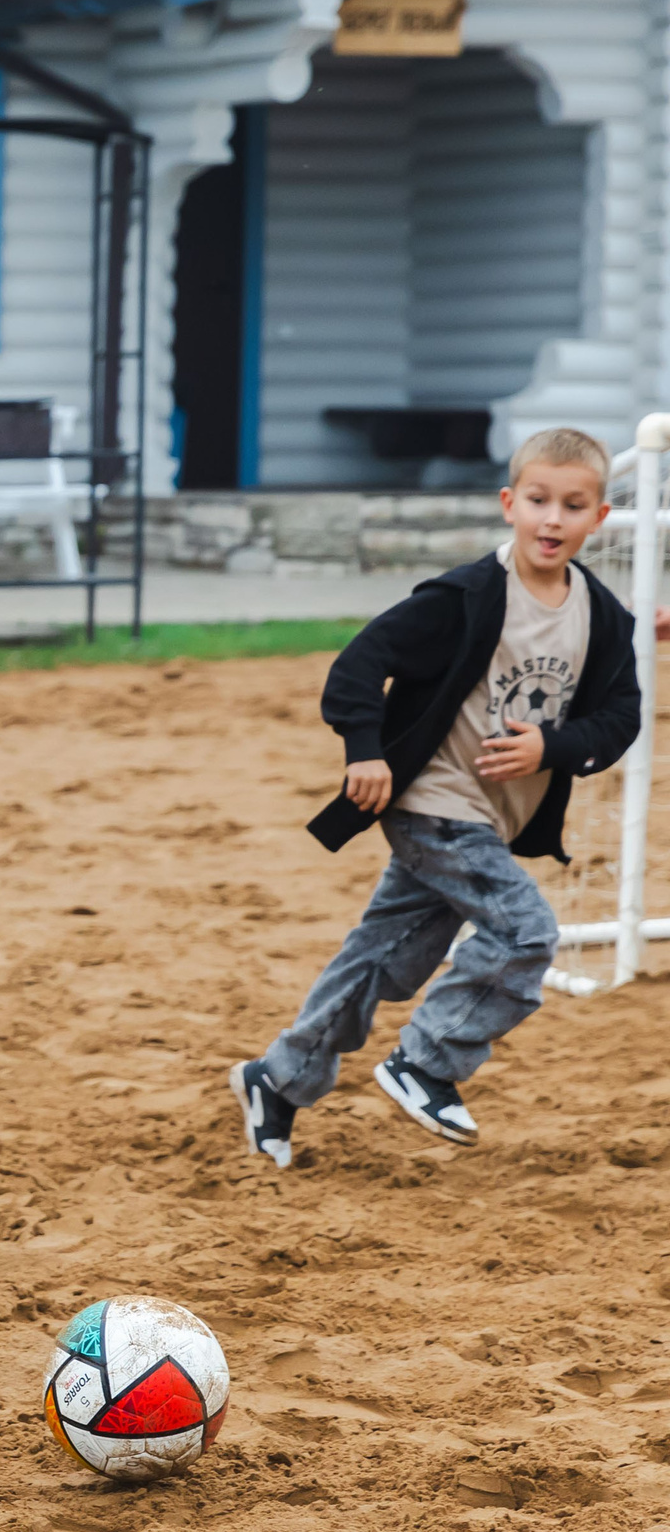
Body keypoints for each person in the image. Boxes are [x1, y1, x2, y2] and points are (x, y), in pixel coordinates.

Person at [231, 427, 643, 1166]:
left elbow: (622, 718)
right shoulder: (466, 596)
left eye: (573, 506)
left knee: (383, 957)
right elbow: (361, 664)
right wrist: (365, 751)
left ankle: (277, 1080)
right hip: (435, 804)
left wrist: (550, 747)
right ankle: (424, 1063)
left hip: (491, 817)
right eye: (539, 501)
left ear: (600, 518)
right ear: (509, 504)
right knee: (525, 935)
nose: (554, 520)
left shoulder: (604, 617)